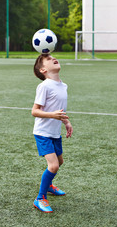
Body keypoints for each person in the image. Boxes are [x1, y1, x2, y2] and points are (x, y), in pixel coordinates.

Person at [32, 53, 73, 213]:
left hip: (55, 133)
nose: (53, 59)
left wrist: (66, 122)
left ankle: (48, 185)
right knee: (54, 165)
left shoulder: (63, 86)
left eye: (53, 57)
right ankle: (40, 198)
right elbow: (34, 111)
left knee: (60, 162)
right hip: (43, 133)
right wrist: (52, 115)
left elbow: (59, 110)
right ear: (43, 70)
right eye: (48, 59)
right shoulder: (44, 86)